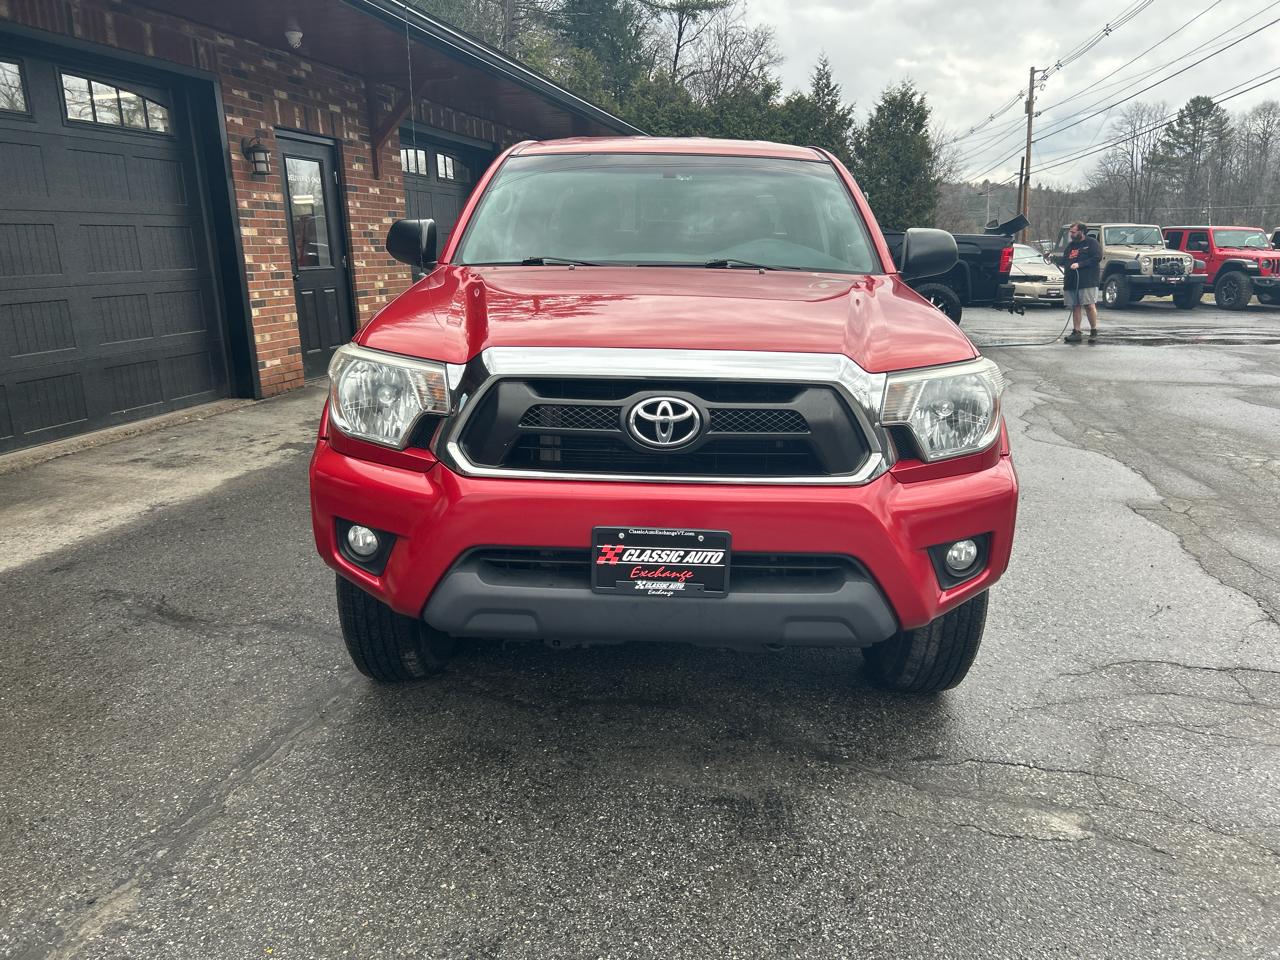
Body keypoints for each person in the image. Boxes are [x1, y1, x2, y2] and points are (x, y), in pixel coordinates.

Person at [1062, 222, 1102, 343]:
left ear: (1081, 232)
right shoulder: (1070, 246)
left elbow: (1097, 257)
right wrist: (1052, 258)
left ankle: (1094, 331)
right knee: (1075, 306)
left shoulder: (1091, 243)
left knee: (1089, 305)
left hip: (1087, 280)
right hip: (1071, 280)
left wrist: (1080, 264)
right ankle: (1076, 332)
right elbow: (1065, 260)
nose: (1071, 234)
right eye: (1070, 232)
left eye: (1073, 232)